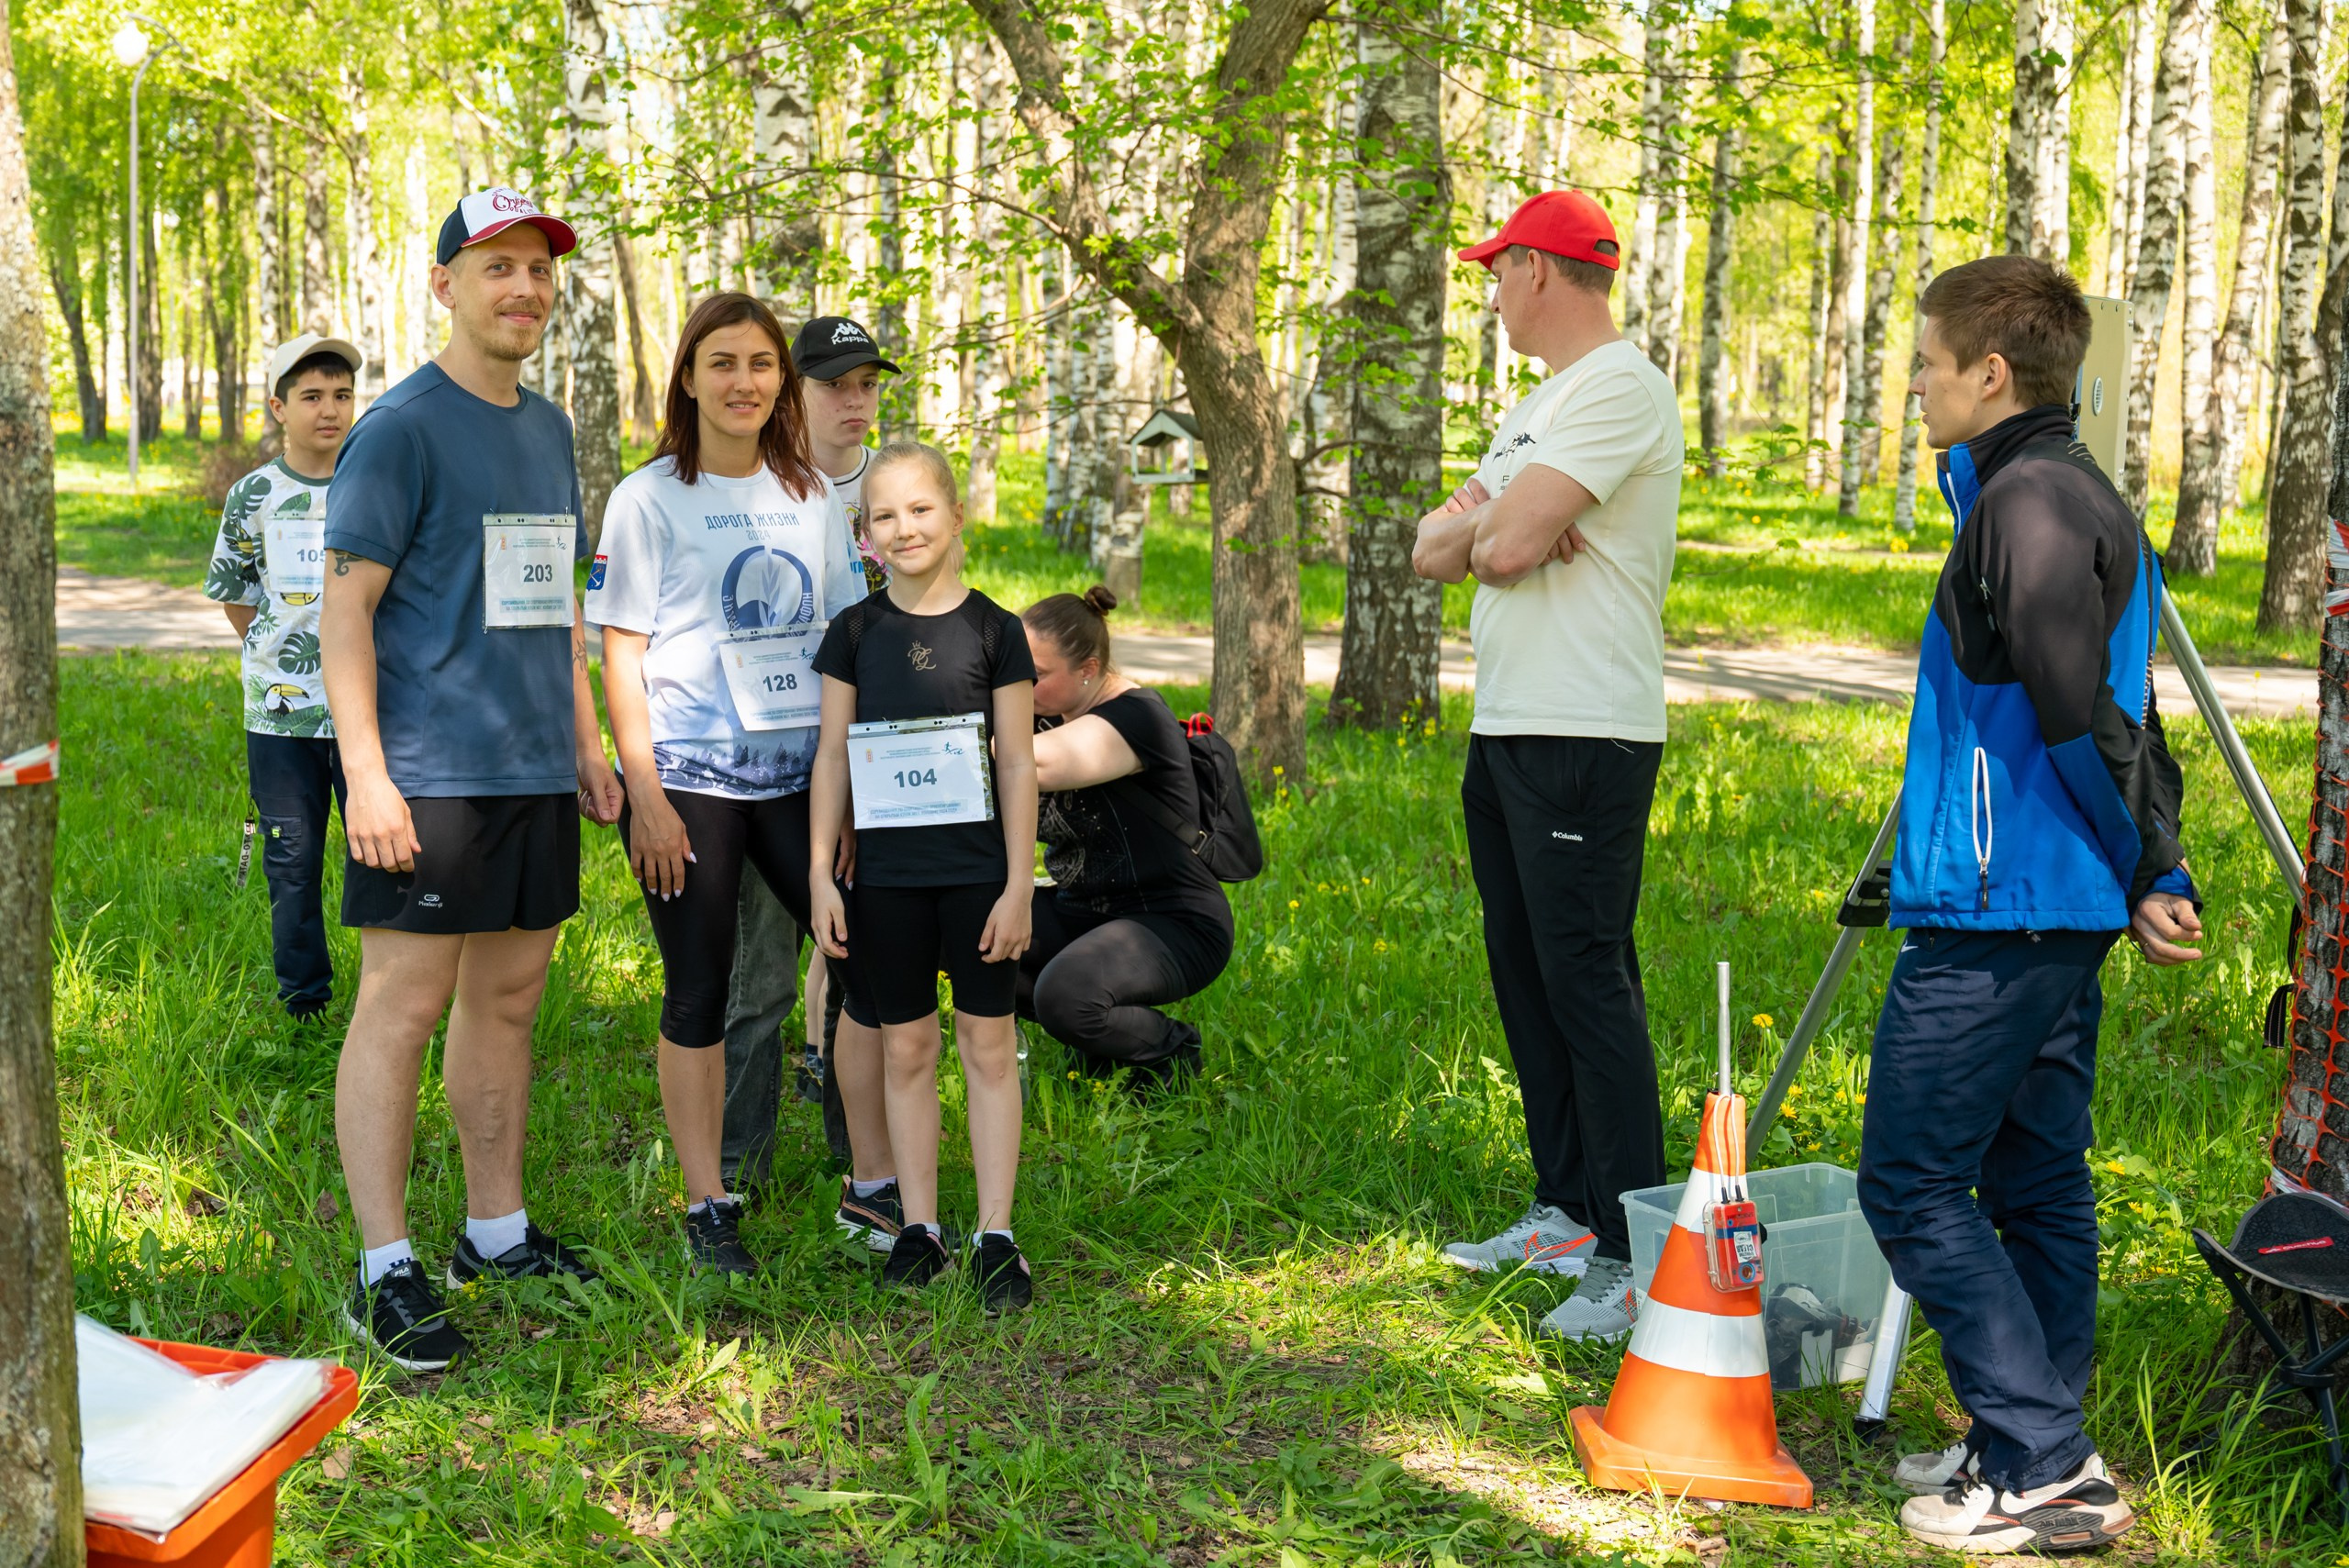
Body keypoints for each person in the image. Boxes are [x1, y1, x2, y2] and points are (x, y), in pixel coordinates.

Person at [1863, 255, 2202, 1555]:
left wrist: (2150, 867)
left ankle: (2046, 1461)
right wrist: (2146, 867)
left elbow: (2077, 712)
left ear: (1990, 373)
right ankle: (2031, 1433)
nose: (1918, 389)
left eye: (1931, 366)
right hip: (2048, 902)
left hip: (2006, 912)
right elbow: (2122, 708)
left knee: (1909, 1180)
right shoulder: (2048, 490)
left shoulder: (2034, 502)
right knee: (2035, 1175)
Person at [320, 187, 624, 1372]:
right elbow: (346, 611)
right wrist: (367, 775)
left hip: (534, 768)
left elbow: (558, 599)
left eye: (540, 271)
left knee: (508, 1001)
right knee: (401, 1008)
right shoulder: (399, 428)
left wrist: (585, 740)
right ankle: (382, 1267)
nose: (525, 290)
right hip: (429, 774)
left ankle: (494, 1231)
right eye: (498, 267)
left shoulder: (547, 429)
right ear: (443, 285)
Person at [1409, 189, 1681, 1341]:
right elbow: (1433, 549)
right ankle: (1565, 1208)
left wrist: (1505, 528)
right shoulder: (1536, 409)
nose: (1488, 290)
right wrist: (1501, 527)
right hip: (1509, 722)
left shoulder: (1619, 385)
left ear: (1537, 271)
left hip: (1585, 725)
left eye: (1494, 270)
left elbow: (1505, 540)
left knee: (1586, 980)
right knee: (1523, 969)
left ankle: (1631, 1252)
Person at [585, 292, 865, 1275]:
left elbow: (848, 642)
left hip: (799, 780)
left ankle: (871, 1181)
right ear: (688, 378)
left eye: (759, 364)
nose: (743, 382)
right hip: (690, 780)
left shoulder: (810, 496)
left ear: (781, 380)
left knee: (861, 952)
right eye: (722, 363)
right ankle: (709, 1202)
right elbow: (621, 655)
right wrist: (647, 793)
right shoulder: (648, 496)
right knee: (700, 986)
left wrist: (851, 795)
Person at [807, 442, 1040, 1310]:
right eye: (884, 516)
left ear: (955, 518)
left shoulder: (996, 631)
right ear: (863, 534)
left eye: (920, 510)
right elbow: (830, 755)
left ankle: (995, 1233)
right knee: (905, 1045)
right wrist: (822, 876)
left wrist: (1020, 884)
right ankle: (920, 1226)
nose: (903, 528)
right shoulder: (855, 634)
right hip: (887, 883)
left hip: (978, 878)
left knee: (986, 1046)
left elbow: (1017, 764)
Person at [715, 314, 900, 1231]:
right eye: (834, 383)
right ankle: (733, 1167)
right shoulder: (749, 481)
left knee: (859, 962)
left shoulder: (897, 491)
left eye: (868, 383)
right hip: (759, 768)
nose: (854, 401)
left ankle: (862, 1159)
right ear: (793, 390)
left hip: (865, 769)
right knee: (758, 981)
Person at [205, 332, 363, 1022]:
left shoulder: (376, 481)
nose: (330, 410)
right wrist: (278, 653)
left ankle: (390, 994)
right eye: (312, 397)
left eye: (342, 395)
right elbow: (236, 591)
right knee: (292, 859)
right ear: (279, 406)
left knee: (381, 851)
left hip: (370, 713)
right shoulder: (254, 493)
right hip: (280, 717)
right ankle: (306, 1000)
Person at [1019, 585, 1230, 1087]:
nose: (1021, 684)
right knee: (970, 933)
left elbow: (1027, 761)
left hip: (1172, 921)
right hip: (1084, 911)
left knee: (1063, 995)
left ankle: (1171, 1051)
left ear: (1088, 669)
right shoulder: (1043, 711)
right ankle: (1101, 1043)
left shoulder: (1138, 717)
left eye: (1037, 674)